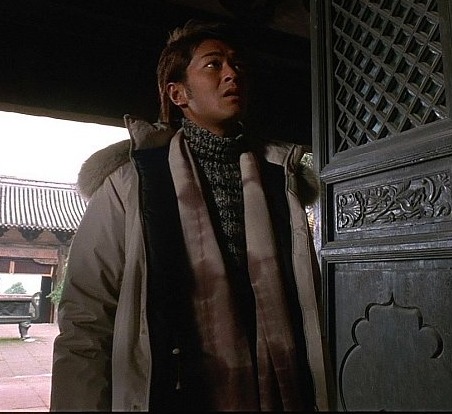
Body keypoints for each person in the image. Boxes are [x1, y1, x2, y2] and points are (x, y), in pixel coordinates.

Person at [50, 20, 329, 411]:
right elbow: (87, 313)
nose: (232, 73)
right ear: (178, 93)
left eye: (236, 64)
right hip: (175, 386)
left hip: (273, 383)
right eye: (214, 64)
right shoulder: (134, 181)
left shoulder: (278, 178)